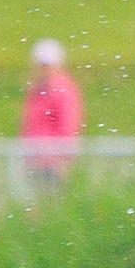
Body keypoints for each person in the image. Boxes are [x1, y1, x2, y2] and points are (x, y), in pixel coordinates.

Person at [20, 36, 84, 189]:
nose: (43, 69)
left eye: (47, 65)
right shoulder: (37, 90)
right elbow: (30, 125)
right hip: (36, 161)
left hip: (54, 164)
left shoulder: (63, 90)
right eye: (41, 65)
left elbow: (68, 126)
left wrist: (63, 158)